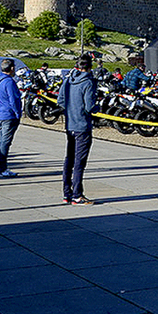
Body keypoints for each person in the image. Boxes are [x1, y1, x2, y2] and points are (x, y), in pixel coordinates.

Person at [57, 54, 99, 205]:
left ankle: (67, 193)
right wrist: (97, 107)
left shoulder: (68, 80)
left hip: (70, 125)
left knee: (69, 159)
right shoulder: (88, 82)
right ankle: (77, 195)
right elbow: (89, 106)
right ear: (89, 66)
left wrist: (71, 110)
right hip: (82, 126)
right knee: (79, 162)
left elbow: (60, 100)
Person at [0, 59, 22, 178]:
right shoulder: (9, 82)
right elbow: (13, 99)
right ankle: (2, 168)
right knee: (5, 142)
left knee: (3, 141)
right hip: (9, 115)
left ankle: (1, 167)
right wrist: (18, 113)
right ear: (12, 68)